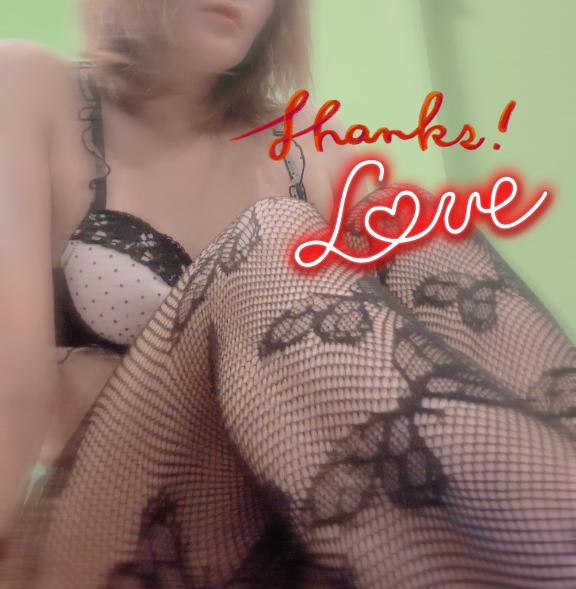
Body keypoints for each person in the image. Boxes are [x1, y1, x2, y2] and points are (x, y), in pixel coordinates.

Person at [1, 1, 576, 587]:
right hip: (104, 541)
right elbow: (12, 392)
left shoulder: (314, 147)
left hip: (279, 545)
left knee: (414, 227)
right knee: (275, 232)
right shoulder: (28, 86)